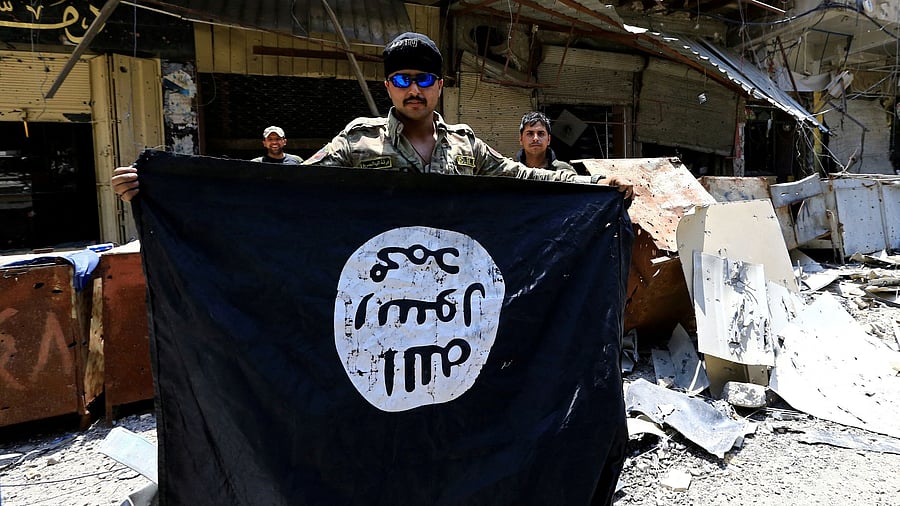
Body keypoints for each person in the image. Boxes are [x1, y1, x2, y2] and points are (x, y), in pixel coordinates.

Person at [112, 32, 631, 200]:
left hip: (455, 295)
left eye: (423, 79)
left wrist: (594, 186)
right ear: (388, 85)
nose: (413, 89)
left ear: (439, 87)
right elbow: (284, 184)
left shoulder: (468, 146)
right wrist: (172, 185)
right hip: (382, 297)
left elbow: (524, 176)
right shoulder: (357, 143)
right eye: (401, 79)